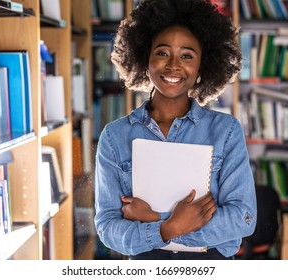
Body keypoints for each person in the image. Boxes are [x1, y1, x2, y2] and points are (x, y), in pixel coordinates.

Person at [94, 0, 257, 260]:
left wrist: (157, 221)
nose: (173, 65)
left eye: (187, 55)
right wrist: (169, 227)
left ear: (202, 65)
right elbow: (108, 228)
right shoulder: (115, 136)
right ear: (144, 57)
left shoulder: (226, 131)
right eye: (162, 52)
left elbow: (243, 218)